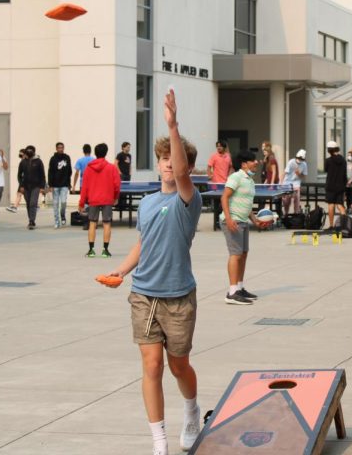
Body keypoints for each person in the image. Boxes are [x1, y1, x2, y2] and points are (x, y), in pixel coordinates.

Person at [102, 89, 202, 455]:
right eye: (162, 158)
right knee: (152, 365)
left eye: (171, 160)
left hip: (178, 297)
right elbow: (143, 245)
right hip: (144, 295)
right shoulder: (147, 203)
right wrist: (120, 271)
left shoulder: (188, 200)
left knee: (178, 366)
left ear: (183, 167)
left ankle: (191, 411)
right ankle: (159, 440)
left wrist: (173, 126)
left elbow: (181, 172)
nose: (166, 164)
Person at [221, 150, 269, 305]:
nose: (256, 162)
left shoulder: (250, 180)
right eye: (252, 160)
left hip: (243, 221)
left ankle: (240, 287)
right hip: (233, 221)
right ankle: (232, 292)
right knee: (235, 254)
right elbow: (224, 197)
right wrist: (228, 219)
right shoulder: (236, 177)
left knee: (243, 254)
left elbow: (247, 204)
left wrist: (254, 221)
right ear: (243, 164)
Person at [78, 143, 121, 257]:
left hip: (93, 199)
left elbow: (84, 187)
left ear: (95, 153)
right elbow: (117, 185)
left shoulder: (88, 168)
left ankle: (91, 250)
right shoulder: (111, 168)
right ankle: (105, 250)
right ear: (106, 153)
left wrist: (81, 203)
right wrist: (115, 197)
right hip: (107, 199)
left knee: (92, 223)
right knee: (107, 224)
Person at [17, 145, 46, 230]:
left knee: (33, 203)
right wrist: (21, 186)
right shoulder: (22, 162)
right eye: (28, 151)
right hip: (25, 187)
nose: (29, 152)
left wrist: (42, 186)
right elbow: (19, 175)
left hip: (36, 186)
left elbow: (42, 175)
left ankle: (32, 221)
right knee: (28, 204)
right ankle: (30, 218)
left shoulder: (38, 161)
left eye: (31, 151)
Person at [48, 142, 72, 228]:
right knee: (55, 203)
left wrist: (69, 183)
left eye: (62, 147)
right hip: (55, 185)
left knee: (63, 202)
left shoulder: (67, 157)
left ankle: (62, 215)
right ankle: (57, 221)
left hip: (64, 184)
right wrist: (50, 185)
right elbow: (50, 172)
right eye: (59, 148)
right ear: (56, 148)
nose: (61, 149)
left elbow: (69, 171)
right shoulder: (53, 159)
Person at [324, 141, 347, 228]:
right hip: (341, 186)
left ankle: (331, 225)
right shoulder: (343, 160)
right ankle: (344, 225)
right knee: (340, 205)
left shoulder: (328, 161)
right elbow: (345, 174)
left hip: (330, 185)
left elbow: (326, 170)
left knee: (331, 204)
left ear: (329, 150)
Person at [281, 149, 307, 215]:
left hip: (296, 183)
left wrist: (299, 174)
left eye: (301, 159)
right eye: (298, 158)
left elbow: (304, 176)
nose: (299, 160)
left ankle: (296, 214)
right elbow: (284, 173)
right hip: (287, 183)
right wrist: (281, 183)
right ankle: (286, 213)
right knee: (287, 200)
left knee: (297, 197)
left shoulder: (304, 164)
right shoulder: (291, 162)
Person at [6, 148, 27, 212]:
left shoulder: (25, 162)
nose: (20, 154)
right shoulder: (23, 161)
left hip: (24, 181)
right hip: (22, 181)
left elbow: (22, 173)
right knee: (20, 194)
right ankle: (15, 206)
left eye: (21, 153)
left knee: (20, 194)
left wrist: (21, 181)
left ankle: (15, 207)